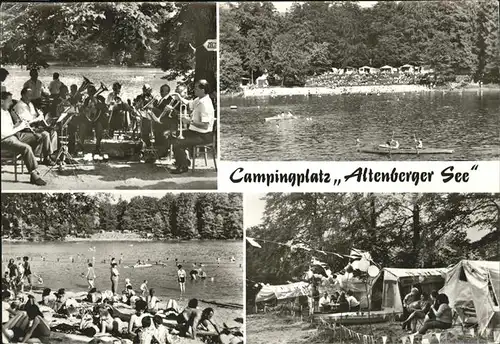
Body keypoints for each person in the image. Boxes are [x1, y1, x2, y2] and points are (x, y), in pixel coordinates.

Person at [1, 92, 48, 185]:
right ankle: (33, 174)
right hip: (5, 139)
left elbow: (10, 128)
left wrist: (18, 124)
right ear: (2, 101)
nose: (11, 104)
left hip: (13, 135)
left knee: (38, 137)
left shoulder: (6, 111)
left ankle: (30, 162)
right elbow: (4, 133)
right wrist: (20, 127)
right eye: (9, 101)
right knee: (26, 148)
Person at [171, 79, 215, 174]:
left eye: (196, 88)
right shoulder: (199, 99)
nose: (194, 90)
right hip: (196, 132)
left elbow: (205, 125)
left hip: (204, 136)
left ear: (203, 90)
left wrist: (189, 121)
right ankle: (183, 161)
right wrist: (179, 97)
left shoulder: (205, 104)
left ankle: (183, 167)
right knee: (173, 134)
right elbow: (188, 103)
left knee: (177, 143)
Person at [12, 87, 57, 165]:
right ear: (22, 95)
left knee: (53, 131)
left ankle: (50, 154)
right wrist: (37, 119)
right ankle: (46, 158)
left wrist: (40, 114)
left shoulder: (30, 104)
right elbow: (26, 122)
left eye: (31, 95)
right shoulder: (19, 106)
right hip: (25, 129)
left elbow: (34, 115)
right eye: (28, 95)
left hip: (34, 126)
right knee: (45, 134)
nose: (30, 97)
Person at [80, 85, 108, 155]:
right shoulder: (87, 99)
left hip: (97, 119)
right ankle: (81, 146)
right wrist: (85, 109)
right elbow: (83, 108)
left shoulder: (101, 98)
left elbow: (104, 108)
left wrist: (97, 103)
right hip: (88, 119)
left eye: (91, 92)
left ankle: (97, 146)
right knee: (82, 125)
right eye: (89, 92)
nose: (90, 94)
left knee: (99, 126)